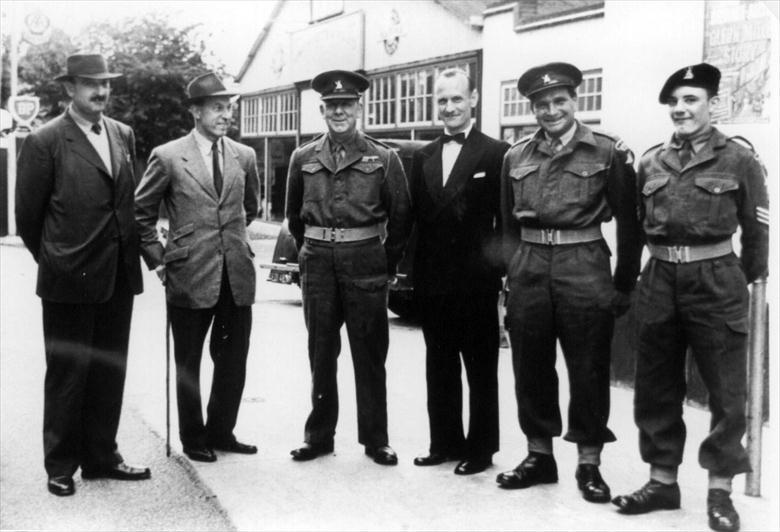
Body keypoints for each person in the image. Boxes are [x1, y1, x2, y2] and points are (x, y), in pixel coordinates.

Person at [612, 63, 769, 532]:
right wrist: (631, 280)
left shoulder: (739, 160)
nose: (680, 109)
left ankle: (720, 493)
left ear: (711, 104)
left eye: (691, 100)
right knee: (656, 386)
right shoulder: (651, 161)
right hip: (659, 277)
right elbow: (634, 230)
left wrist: (739, 278)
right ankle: (662, 482)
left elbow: (757, 231)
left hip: (716, 278)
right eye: (674, 102)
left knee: (726, 390)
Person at [497, 62, 643, 502]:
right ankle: (539, 455)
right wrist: (509, 280)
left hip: (585, 264)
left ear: (575, 102)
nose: (551, 110)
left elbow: (631, 225)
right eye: (542, 104)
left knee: (588, 367)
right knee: (530, 366)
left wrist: (623, 283)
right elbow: (506, 226)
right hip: (529, 265)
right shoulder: (515, 156)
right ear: (532, 109)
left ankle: (589, 463)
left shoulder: (606, 151)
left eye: (559, 101)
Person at [15, 53, 150, 496]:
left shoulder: (122, 134)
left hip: (117, 276)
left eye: (107, 83)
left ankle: (101, 457)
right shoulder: (45, 140)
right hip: (69, 278)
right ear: (70, 88)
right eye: (91, 83)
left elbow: (125, 203)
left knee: (109, 371)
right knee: (68, 373)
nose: (102, 91)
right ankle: (60, 465)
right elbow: (29, 218)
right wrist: (58, 260)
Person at [285, 70, 412, 466]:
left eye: (347, 104)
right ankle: (319, 436)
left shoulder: (383, 157)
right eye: (332, 106)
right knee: (321, 351)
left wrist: (384, 263)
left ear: (359, 107)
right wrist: (316, 248)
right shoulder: (302, 157)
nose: (339, 112)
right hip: (319, 263)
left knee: (369, 353)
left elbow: (402, 216)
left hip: (365, 263)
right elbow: (294, 218)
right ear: (322, 110)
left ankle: (376, 439)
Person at [135, 72, 261, 463]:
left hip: (235, 275)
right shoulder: (169, 156)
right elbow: (140, 214)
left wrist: (231, 245)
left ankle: (222, 431)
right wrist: (160, 261)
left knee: (232, 360)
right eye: (218, 108)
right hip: (189, 276)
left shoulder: (244, 156)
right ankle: (193, 438)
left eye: (229, 108)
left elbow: (249, 209)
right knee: (188, 363)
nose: (226, 116)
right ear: (195, 111)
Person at [409, 68, 509, 475]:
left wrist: (500, 276)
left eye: (456, 98)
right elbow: (417, 219)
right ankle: (444, 443)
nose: (449, 107)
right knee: (440, 364)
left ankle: (481, 449)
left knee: (481, 367)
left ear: (474, 99)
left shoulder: (496, 152)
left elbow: (504, 222)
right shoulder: (424, 155)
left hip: (476, 281)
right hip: (434, 281)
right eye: (442, 100)